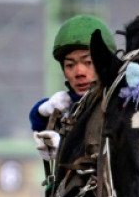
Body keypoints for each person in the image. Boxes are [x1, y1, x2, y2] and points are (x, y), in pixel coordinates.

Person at [29, 15, 117, 161]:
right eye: (70, 65)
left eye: (88, 62)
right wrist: (43, 109)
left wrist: (65, 150)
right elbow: (37, 121)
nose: (79, 73)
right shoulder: (67, 105)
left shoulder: (122, 104)